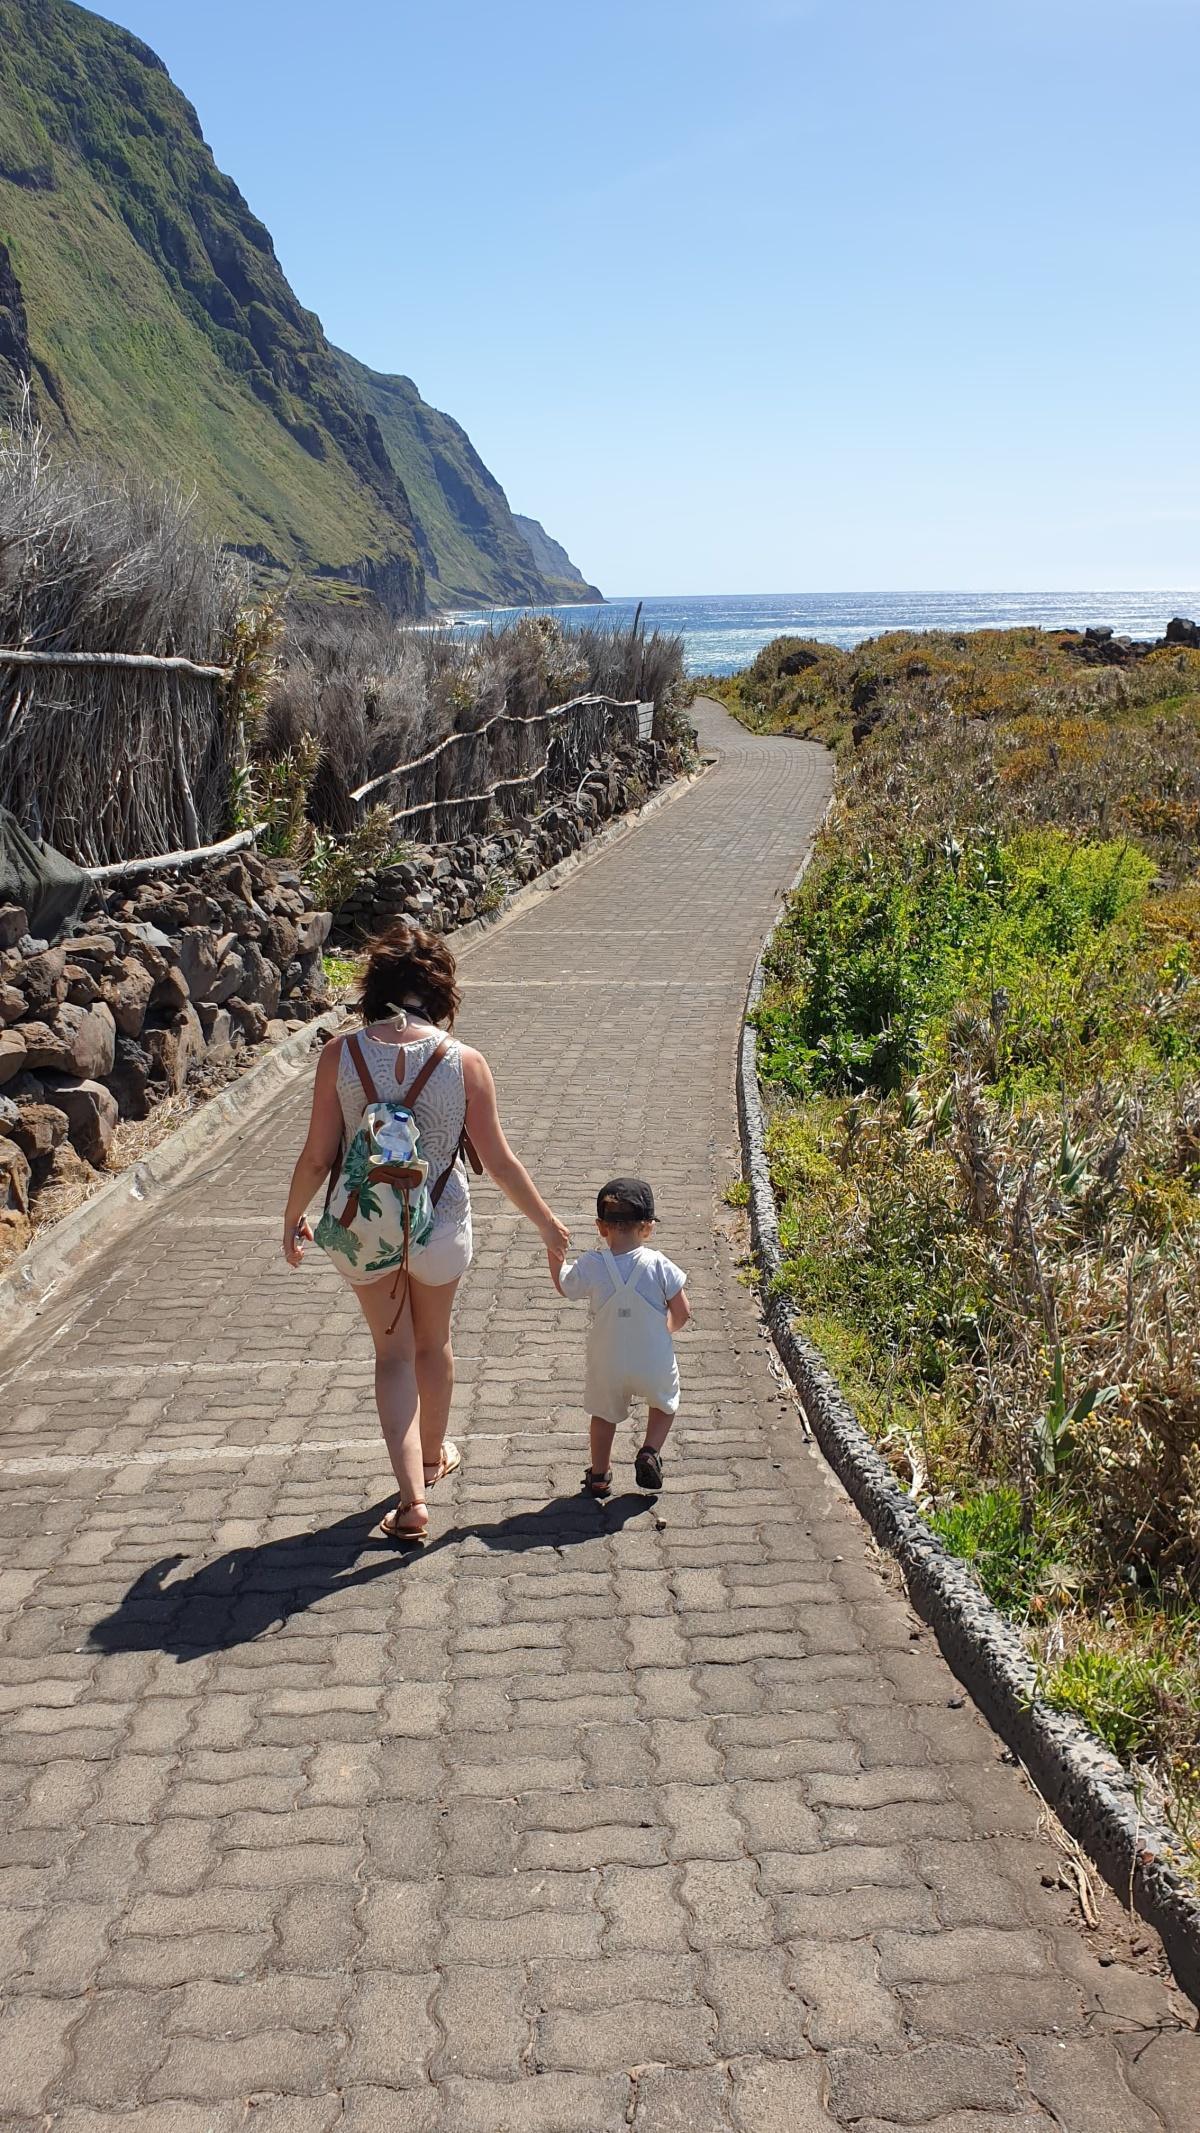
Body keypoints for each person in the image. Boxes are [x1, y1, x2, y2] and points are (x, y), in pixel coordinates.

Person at [282, 922, 569, 1544]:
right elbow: (498, 1161)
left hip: (363, 1225)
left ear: (374, 987)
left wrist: (292, 1218)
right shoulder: (463, 1061)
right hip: (439, 1225)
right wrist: (548, 1226)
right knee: (432, 1344)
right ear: (440, 991)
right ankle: (435, 1456)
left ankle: (412, 1501)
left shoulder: (342, 1053)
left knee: (391, 1354)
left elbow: (315, 1155)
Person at [547, 1176, 690, 1497]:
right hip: (652, 1359)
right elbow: (682, 1313)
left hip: (607, 1362)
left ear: (601, 1227)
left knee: (603, 1414)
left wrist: (554, 1251)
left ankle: (599, 1475)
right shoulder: (660, 1265)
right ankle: (649, 1451)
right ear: (648, 1227)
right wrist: (664, 1332)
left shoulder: (592, 1264)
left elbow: (565, 1286)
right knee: (665, 1403)